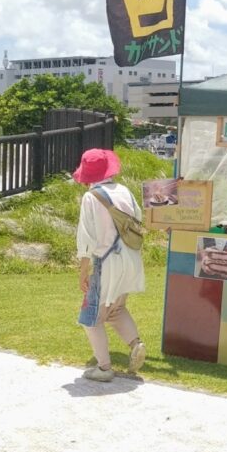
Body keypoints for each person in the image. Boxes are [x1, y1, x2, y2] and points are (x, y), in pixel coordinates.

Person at [73, 149, 146, 383]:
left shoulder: (91, 197)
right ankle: (136, 344)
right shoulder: (124, 191)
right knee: (116, 309)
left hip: (106, 262)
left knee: (91, 317)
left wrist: (83, 271)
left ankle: (104, 368)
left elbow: (87, 238)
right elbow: (138, 219)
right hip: (130, 257)